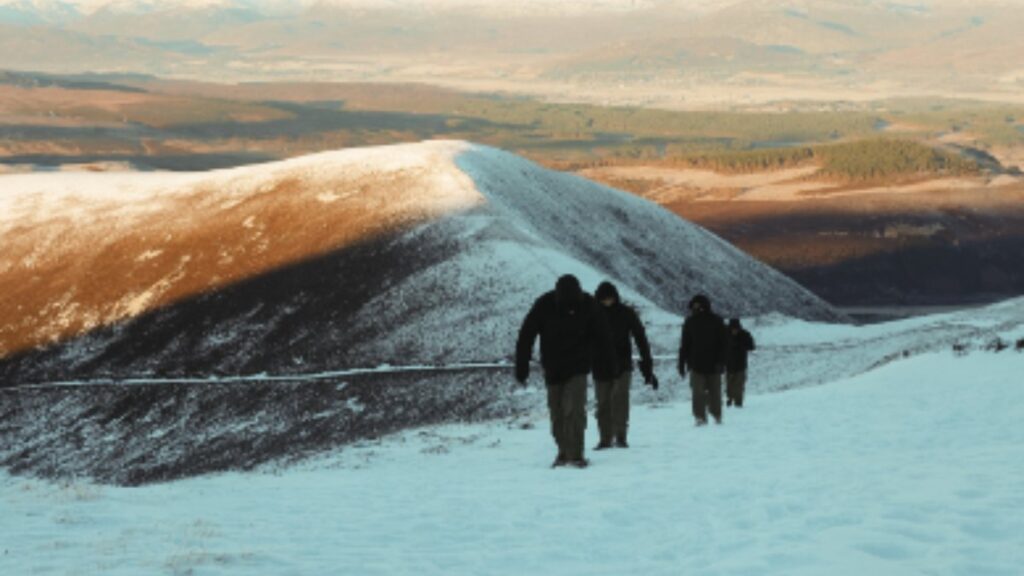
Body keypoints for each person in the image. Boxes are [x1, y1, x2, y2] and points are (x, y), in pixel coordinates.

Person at [516, 274, 616, 468]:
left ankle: (576, 454)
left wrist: (610, 364)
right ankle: (563, 451)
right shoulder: (544, 304)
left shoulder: (589, 304)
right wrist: (522, 366)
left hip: (578, 368)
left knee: (575, 410)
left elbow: (604, 336)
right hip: (553, 368)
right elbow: (527, 334)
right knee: (557, 413)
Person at [592, 281, 658, 449]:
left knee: (620, 400)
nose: (607, 302)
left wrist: (647, 366)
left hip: (622, 364)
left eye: (610, 298)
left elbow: (641, 338)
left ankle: (621, 437)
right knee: (603, 404)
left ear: (615, 297)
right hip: (600, 365)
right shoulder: (592, 314)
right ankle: (605, 439)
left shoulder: (626, 313)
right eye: (604, 299)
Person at [678, 294, 726, 426]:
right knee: (697, 392)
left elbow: (724, 343)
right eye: (694, 305)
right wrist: (681, 364)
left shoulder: (717, 321)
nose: (696, 307)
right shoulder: (690, 322)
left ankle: (717, 415)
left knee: (715, 392)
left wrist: (722, 362)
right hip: (696, 363)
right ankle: (699, 417)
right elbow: (685, 344)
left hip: (714, 363)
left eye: (698, 304)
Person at [724, 318, 755, 408]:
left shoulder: (745, 335)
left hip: (741, 364)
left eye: (736, 329)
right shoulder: (725, 335)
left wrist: (741, 346)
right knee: (729, 385)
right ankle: (729, 399)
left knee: (739, 385)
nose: (734, 331)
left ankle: (738, 402)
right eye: (733, 329)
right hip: (729, 365)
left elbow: (752, 346)